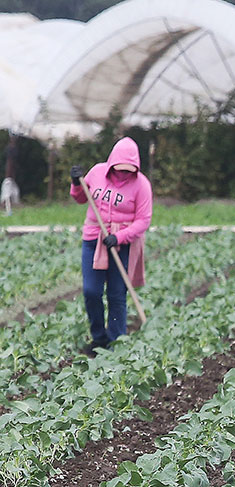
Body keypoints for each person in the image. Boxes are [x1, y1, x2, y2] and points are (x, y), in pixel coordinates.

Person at [70, 136, 152, 350]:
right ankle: (99, 338)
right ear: (111, 163)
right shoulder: (97, 172)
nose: (123, 173)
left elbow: (144, 220)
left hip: (121, 244)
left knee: (116, 293)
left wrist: (119, 237)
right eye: (119, 168)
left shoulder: (141, 185)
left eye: (128, 169)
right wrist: (76, 182)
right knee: (91, 291)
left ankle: (116, 341)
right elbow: (80, 197)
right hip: (93, 239)